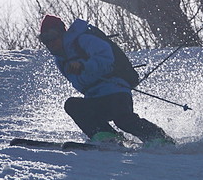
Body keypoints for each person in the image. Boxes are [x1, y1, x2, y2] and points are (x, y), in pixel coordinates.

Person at [38, 14, 175, 146]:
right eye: (44, 39)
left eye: (51, 36)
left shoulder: (83, 40)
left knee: (123, 120)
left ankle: (159, 138)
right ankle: (107, 137)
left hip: (115, 90)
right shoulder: (61, 59)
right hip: (94, 96)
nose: (50, 43)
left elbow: (106, 58)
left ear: (62, 33)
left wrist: (84, 65)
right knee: (73, 105)